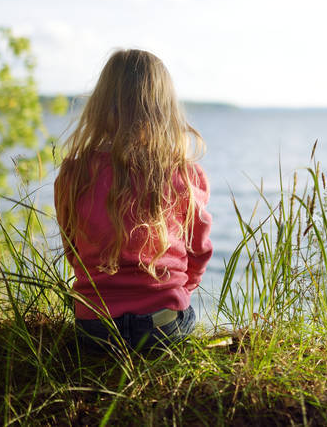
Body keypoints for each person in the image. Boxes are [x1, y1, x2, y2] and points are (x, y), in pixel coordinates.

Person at [54, 49, 212, 352]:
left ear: (101, 104)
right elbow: (200, 251)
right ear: (163, 108)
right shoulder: (183, 172)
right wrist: (181, 290)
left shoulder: (74, 172)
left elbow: (73, 250)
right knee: (186, 316)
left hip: (94, 326)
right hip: (162, 324)